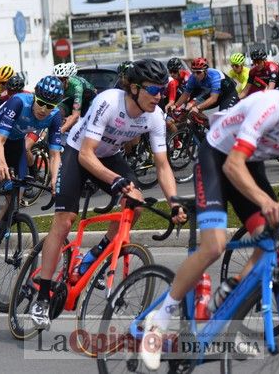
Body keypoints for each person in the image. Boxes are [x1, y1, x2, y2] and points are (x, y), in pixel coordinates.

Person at [29, 59, 186, 330]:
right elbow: (87, 155)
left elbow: (162, 165)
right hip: (78, 154)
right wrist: (115, 181)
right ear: (134, 88)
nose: (159, 96)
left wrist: (174, 202)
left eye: (163, 89)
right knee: (65, 220)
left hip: (110, 156)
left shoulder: (155, 116)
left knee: (135, 202)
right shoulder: (109, 102)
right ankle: (42, 295)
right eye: (153, 90)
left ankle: (95, 257)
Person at [140, 90, 279, 370]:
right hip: (218, 159)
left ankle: (229, 296)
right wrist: (266, 201)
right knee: (215, 245)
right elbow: (232, 165)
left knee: (272, 237)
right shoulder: (271, 107)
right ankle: (160, 319)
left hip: (250, 165)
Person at [0, 76, 66, 255]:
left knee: (18, 193)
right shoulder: (18, 102)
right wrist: (2, 165)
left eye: (50, 106)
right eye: (41, 103)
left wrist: (54, 179)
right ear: (35, 96)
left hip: (16, 142)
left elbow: (54, 154)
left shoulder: (55, 116)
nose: (44, 110)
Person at [166, 57, 238, 116]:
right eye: (194, 72)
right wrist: (175, 106)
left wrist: (198, 107)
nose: (196, 75)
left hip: (228, 95)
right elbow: (185, 94)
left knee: (223, 116)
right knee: (191, 110)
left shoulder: (214, 76)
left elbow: (213, 99)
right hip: (214, 94)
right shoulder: (193, 77)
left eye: (198, 72)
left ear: (205, 71)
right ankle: (205, 129)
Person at [54, 62, 97, 133]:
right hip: (73, 98)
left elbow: (76, 115)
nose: (58, 83)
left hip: (88, 100)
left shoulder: (77, 86)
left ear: (66, 79)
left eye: (61, 80)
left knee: (80, 119)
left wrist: (60, 131)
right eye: (56, 79)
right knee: (58, 111)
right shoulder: (56, 85)